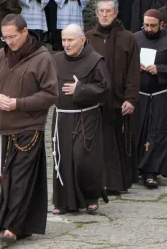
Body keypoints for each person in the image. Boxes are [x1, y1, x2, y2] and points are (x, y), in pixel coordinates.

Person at [0, 14, 58, 244]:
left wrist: (18, 103)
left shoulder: (42, 58)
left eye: (13, 37)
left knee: (20, 179)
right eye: (5, 37)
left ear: (25, 32)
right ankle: (18, 223)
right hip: (3, 127)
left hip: (29, 126)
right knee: (5, 178)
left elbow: (50, 94)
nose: (9, 42)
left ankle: (12, 227)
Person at [51, 24, 109, 215]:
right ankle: (64, 201)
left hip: (86, 116)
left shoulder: (95, 60)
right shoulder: (56, 60)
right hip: (62, 117)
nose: (66, 44)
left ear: (82, 40)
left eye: (70, 40)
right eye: (63, 40)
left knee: (83, 158)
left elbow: (105, 88)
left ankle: (90, 197)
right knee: (63, 158)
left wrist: (81, 89)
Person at [85, 0, 140, 194]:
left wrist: (131, 98)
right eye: (102, 11)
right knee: (96, 145)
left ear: (116, 13)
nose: (105, 14)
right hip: (95, 101)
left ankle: (117, 182)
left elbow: (134, 71)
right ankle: (97, 182)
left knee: (117, 143)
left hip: (119, 101)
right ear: (97, 13)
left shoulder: (128, 38)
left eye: (109, 11)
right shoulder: (89, 38)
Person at [133, 10, 167, 188]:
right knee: (137, 132)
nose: (148, 29)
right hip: (139, 95)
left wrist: (160, 69)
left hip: (161, 95)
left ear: (162, 24)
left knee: (157, 135)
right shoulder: (135, 38)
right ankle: (135, 169)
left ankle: (151, 172)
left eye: (153, 25)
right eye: (146, 25)